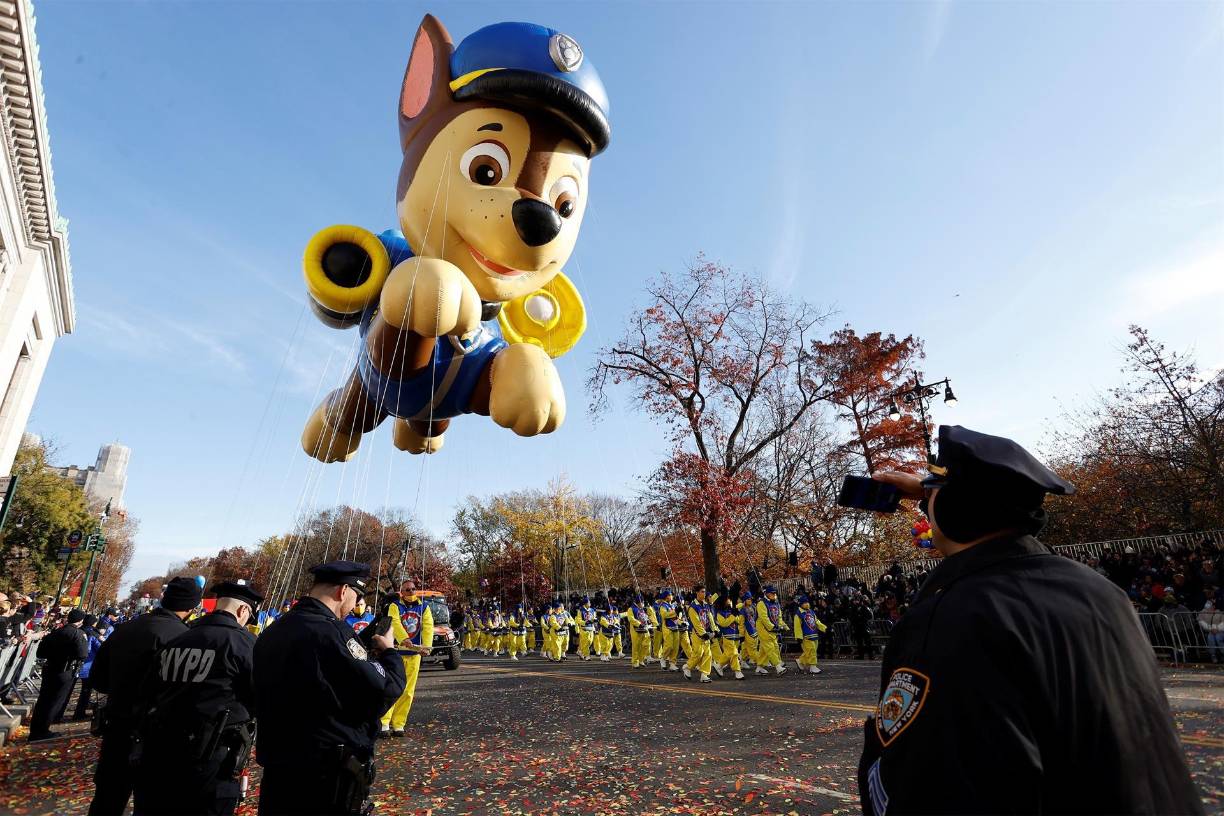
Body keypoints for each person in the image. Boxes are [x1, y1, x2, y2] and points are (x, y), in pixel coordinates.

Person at [860, 425, 1203, 815]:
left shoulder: (952, 615)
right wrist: (934, 491)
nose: (926, 505)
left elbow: (927, 789)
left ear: (955, 509)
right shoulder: (1102, 592)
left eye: (934, 493)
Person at [254, 561, 405, 815]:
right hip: (324, 775)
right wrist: (389, 652)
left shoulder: (273, 631)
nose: (354, 606)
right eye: (356, 597)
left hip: (278, 770)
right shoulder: (333, 632)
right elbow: (383, 690)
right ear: (343, 591)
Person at [133, 581, 263, 816]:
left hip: (159, 748)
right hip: (211, 758)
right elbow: (260, 696)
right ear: (243, 610)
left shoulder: (179, 638)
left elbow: (147, 690)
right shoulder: (244, 643)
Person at [88, 577, 201, 816]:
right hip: (157, 735)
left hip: (117, 726)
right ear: (192, 607)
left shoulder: (127, 628)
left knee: (107, 799)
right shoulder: (186, 638)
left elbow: (98, 679)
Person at [27, 608, 88, 741]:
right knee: (55, 701)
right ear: (80, 621)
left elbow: (40, 653)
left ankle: (36, 730)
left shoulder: (56, 632)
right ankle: (42, 730)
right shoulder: (78, 634)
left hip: (50, 668)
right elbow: (82, 654)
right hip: (65, 670)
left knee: (43, 700)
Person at [71, 614, 105, 721]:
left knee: (70, 691)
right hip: (87, 667)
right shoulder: (92, 634)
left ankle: (59, 714)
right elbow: (97, 649)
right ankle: (79, 713)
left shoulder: (80, 631)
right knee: (86, 691)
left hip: (76, 665)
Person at [683, 586, 714, 683]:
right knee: (698, 653)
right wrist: (703, 633)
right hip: (697, 634)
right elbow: (696, 623)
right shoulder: (693, 607)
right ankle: (688, 667)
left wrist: (714, 629)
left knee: (708, 654)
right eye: (702, 592)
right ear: (697, 592)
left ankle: (704, 675)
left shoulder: (706, 605)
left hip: (706, 632)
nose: (704, 594)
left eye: (704, 592)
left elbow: (710, 618)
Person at [755, 586, 788, 675]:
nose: (774, 595)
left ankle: (759, 667)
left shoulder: (776, 603)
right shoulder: (761, 603)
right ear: (766, 594)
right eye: (772, 593)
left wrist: (783, 626)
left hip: (772, 629)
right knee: (770, 648)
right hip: (763, 628)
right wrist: (772, 627)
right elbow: (763, 618)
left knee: (768, 648)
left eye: (774, 593)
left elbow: (779, 617)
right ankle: (778, 667)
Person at [792, 593, 827, 675]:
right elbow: (797, 627)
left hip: (814, 634)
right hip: (806, 636)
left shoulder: (811, 612)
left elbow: (816, 621)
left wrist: (824, 628)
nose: (807, 604)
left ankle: (800, 661)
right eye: (804, 603)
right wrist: (798, 637)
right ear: (801, 604)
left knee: (810, 651)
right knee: (811, 651)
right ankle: (813, 666)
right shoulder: (798, 614)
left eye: (807, 602)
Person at [713, 595, 744, 680]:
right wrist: (733, 616)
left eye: (730, 600)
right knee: (734, 653)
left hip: (735, 635)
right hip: (727, 636)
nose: (729, 601)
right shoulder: (719, 613)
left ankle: (718, 666)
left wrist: (736, 613)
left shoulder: (731, 610)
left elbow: (738, 621)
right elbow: (724, 623)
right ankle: (737, 671)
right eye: (728, 600)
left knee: (728, 654)